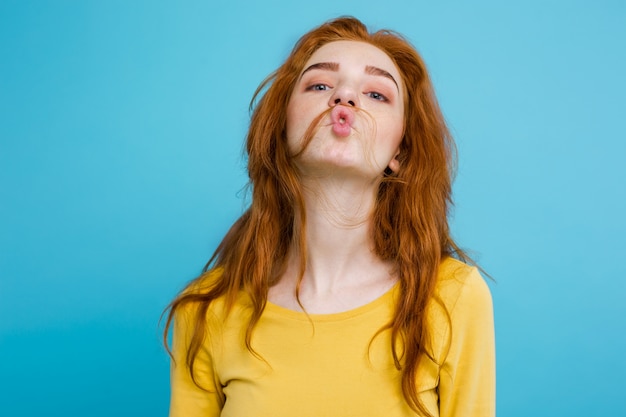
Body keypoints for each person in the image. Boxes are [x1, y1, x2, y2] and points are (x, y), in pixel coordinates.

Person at [164, 16, 495, 417]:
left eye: (377, 94)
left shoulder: (451, 298)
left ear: (399, 152)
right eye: (319, 85)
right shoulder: (206, 311)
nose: (345, 97)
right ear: (281, 129)